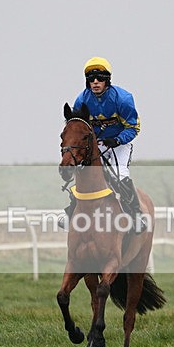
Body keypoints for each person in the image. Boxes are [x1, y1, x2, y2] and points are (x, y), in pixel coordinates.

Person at [61, 56, 148, 233]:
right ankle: (71, 211)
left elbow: (133, 127)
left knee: (120, 174)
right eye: (91, 79)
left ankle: (136, 214)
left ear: (107, 80)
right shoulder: (82, 100)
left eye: (99, 78)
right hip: (96, 143)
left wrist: (117, 140)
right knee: (83, 171)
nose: (95, 82)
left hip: (119, 143)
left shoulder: (123, 99)